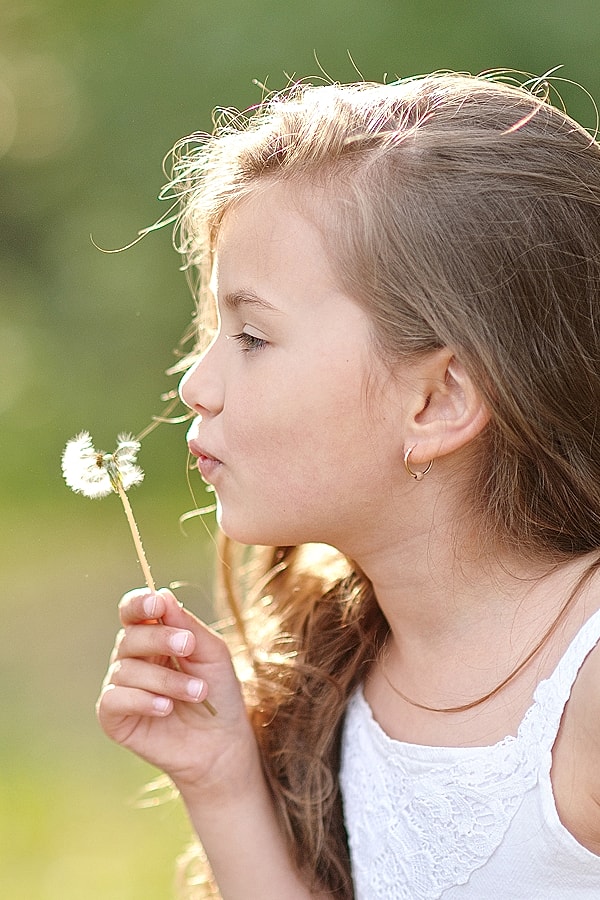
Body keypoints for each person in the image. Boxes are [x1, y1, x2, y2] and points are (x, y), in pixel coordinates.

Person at [96, 71, 600, 898]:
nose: (195, 385)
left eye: (253, 336)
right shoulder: (349, 669)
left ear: (437, 401)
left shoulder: (585, 687)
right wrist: (222, 782)